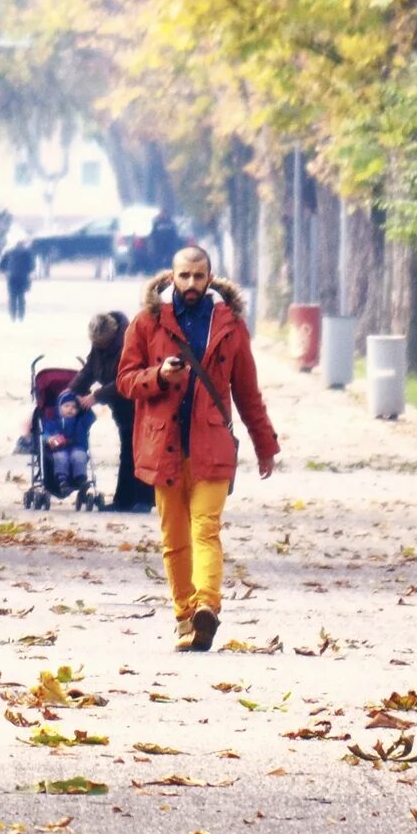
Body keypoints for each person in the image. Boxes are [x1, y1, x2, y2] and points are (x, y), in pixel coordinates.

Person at [117, 245, 279, 651]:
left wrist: (264, 444)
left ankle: (206, 607)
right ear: (171, 278)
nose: (191, 284)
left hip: (212, 444)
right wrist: (158, 376)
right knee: (174, 537)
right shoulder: (147, 323)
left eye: (198, 276)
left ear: (210, 278)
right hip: (163, 446)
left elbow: (247, 392)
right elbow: (125, 380)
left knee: (205, 528)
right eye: (184, 276)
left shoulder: (230, 326)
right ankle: (184, 617)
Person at [66, 309, 150, 510]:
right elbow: (89, 370)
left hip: (139, 404)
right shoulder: (99, 346)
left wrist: (96, 396)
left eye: (102, 344)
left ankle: (144, 500)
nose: (99, 347)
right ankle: (124, 500)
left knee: (140, 451)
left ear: (112, 337)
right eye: (96, 344)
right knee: (127, 452)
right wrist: (71, 391)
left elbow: (125, 379)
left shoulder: (129, 344)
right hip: (120, 407)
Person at [0, 237, 37, 321]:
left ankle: (12, 316)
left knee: (12, 297)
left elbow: (1, 264)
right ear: (22, 244)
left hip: (11, 276)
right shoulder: (27, 252)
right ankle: (21, 316)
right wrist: (29, 273)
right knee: (21, 297)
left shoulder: (8, 252)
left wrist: (5, 272)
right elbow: (32, 265)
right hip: (22, 277)